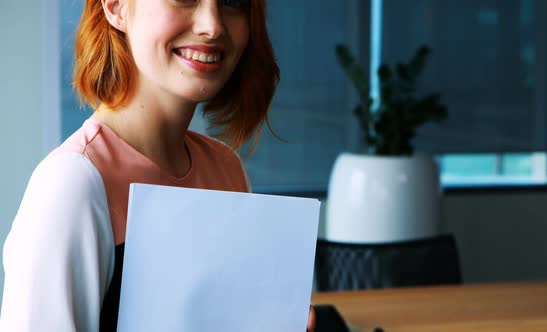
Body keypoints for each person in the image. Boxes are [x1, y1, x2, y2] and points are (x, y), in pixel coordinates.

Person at [0, 0, 315, 330]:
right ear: (116, 7)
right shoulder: (72, 183)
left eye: (232, 2)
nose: (213, 25)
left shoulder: (226, 170)